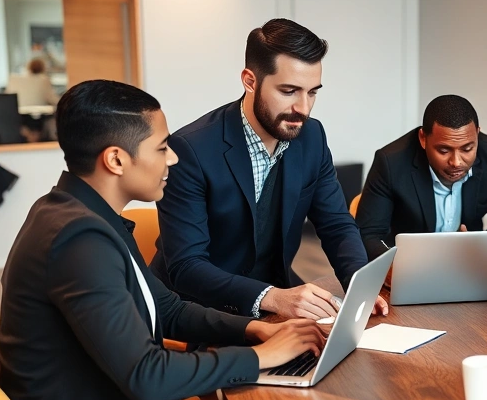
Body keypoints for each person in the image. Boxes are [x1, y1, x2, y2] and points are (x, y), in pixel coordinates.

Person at [0, 79, 326, 400]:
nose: (172, 158)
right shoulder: (80, 239)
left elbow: (166, 308)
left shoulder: (81, 214)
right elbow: (145, 376)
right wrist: (261, 356)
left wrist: (255, 328)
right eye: (161, 147)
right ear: (116, 159)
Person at [150, 18, 386, 320]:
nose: (303, 107)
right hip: (198, 308)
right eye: (289, 91)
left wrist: (358, 286)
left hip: (277, 291)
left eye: (312, 92)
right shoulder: (190, 149)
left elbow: (336, 224)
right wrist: (272, 297)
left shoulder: (312, 136)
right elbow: (187, 266)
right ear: (250, 80)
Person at [356, 94, 487, 260]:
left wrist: (480, 251)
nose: (456, 162)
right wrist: (401, 264)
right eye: (444, 151)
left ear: (477, 133)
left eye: (467, 149)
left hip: (470, 263)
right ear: (423, 138)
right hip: (411, 265)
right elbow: (368, 235)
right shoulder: (391, 162)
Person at [6, 58, 60, 142]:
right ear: (43, 68)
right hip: (39, 118)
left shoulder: (14, 79)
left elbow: (7, 98)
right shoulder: (44, 80)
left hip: (18, 117)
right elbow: (54, 100)